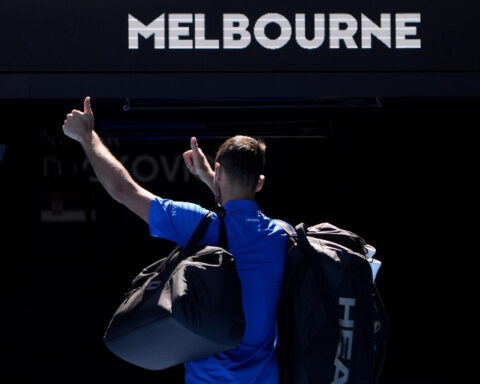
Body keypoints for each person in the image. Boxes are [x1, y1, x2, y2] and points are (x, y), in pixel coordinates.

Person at [62, 97, 288, 383]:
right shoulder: (281, 235)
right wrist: (211, 179)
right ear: (260, 183)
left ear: (219, 172)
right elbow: (237, 220)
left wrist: (86, 135)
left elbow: (123, 190)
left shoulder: (199, 225)